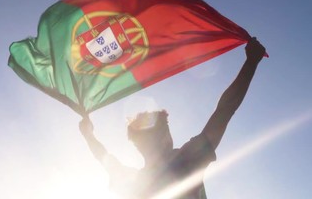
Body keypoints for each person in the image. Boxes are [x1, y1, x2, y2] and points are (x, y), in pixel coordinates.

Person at [79, 38, 266, 199]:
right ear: (165, 138)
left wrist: (88, 136)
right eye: (166, 132)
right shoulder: (188, 159)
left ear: (137, 145)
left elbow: (104, 158)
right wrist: (251, 62)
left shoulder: (135, 183)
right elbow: (224, 111)